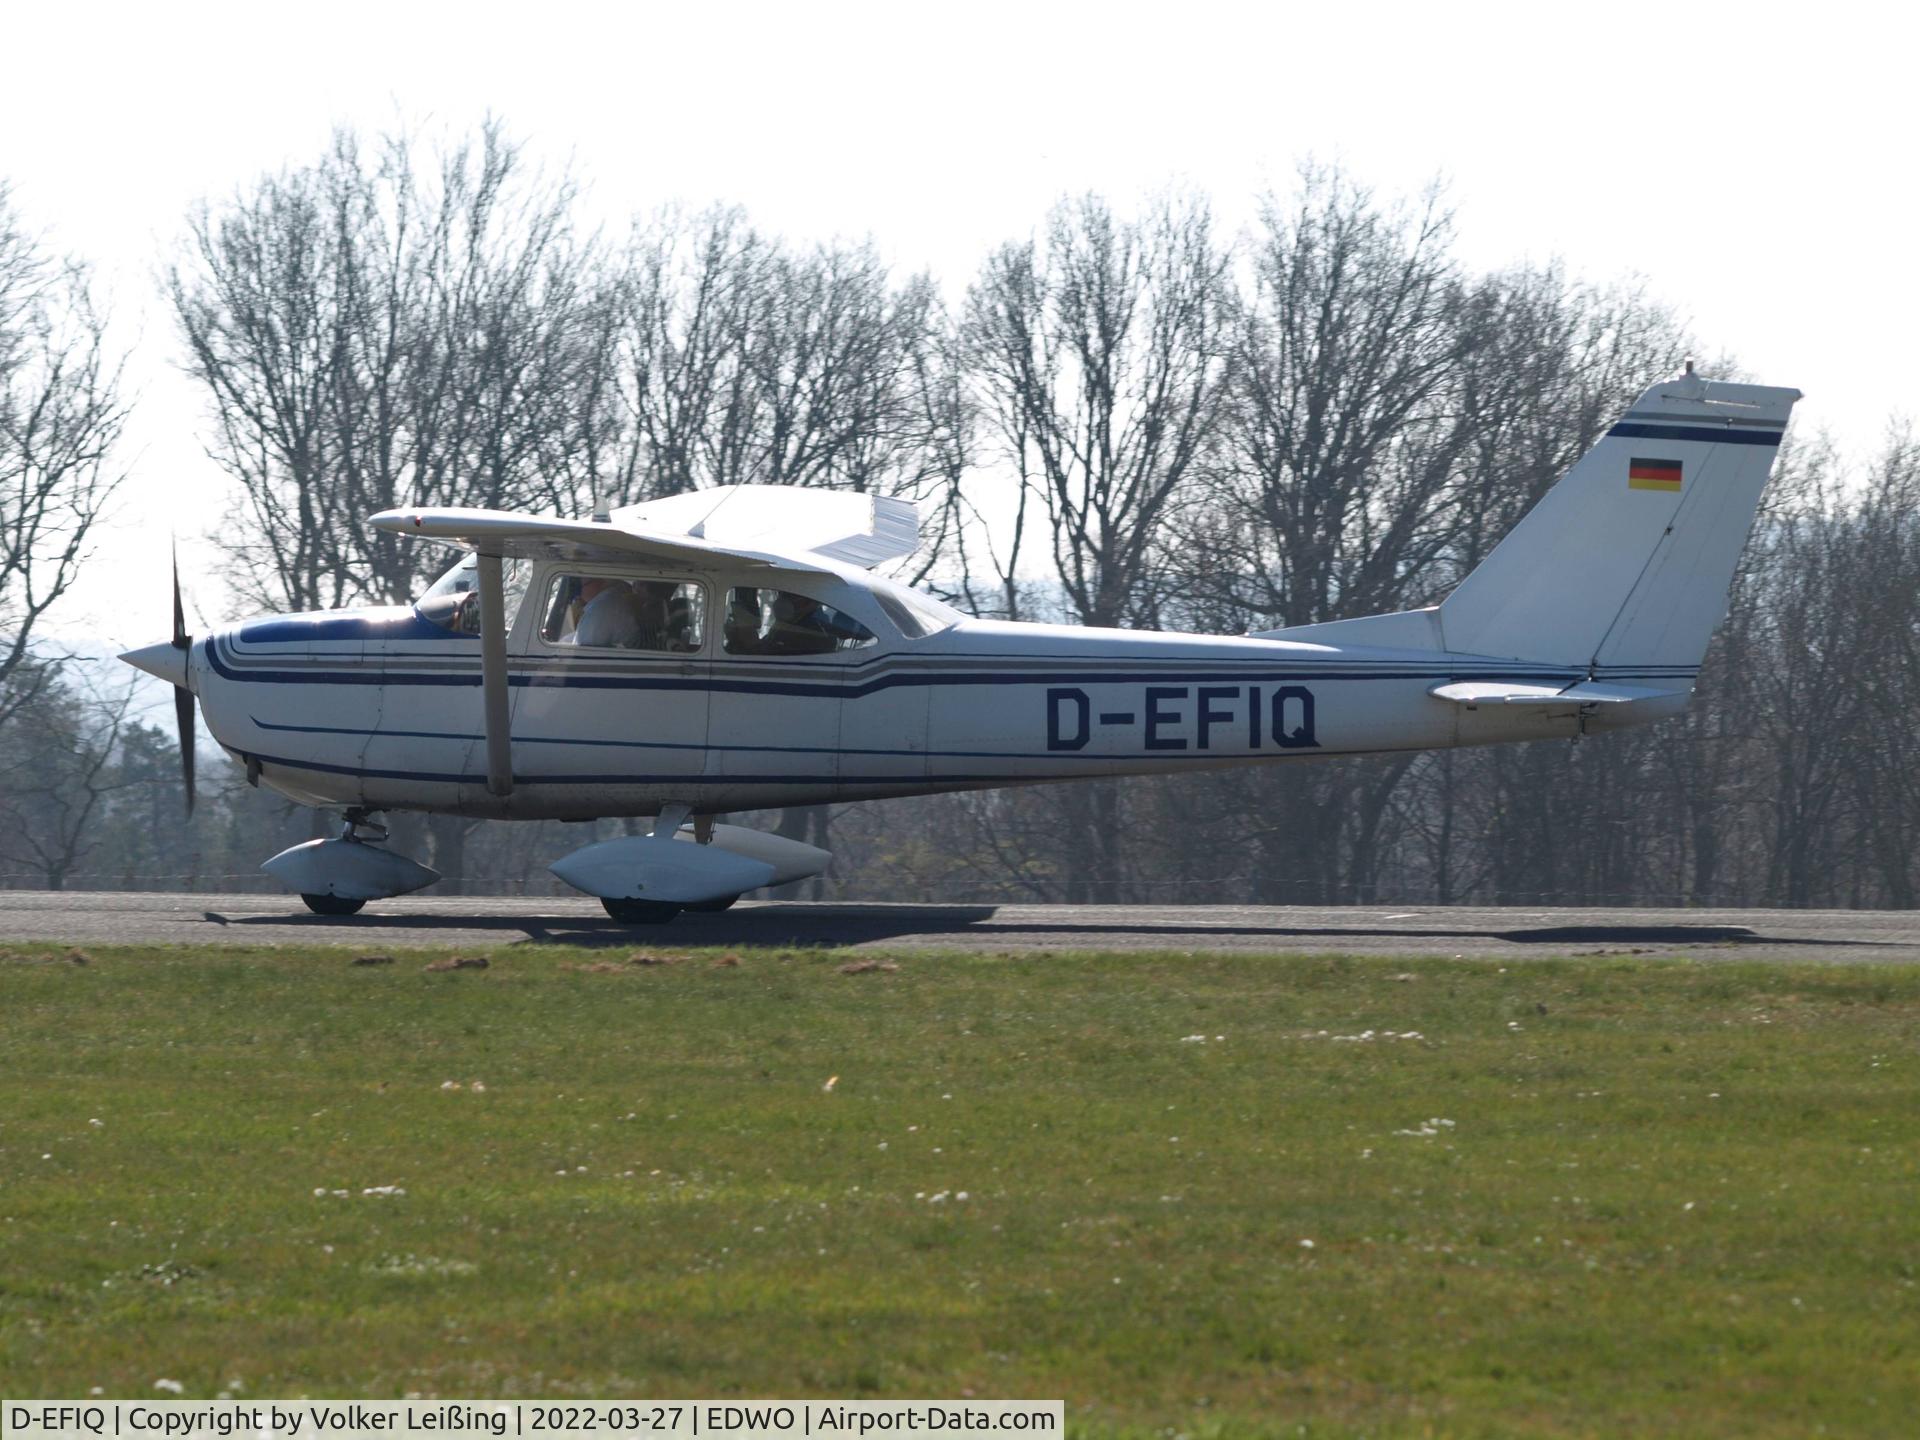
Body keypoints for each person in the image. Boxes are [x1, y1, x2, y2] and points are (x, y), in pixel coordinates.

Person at [569, 578, 645, 648]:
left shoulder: (600, 610)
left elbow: (582, 652)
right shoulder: (609, 600)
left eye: (578, 584)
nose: (577, 591)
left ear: (598, 581)